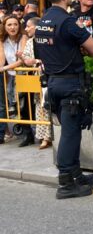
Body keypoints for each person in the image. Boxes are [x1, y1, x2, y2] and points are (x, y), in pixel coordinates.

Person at [34, 0, 93, 199]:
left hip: (53, 82)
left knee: (70, 132)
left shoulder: (42, 22)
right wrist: (80, 48)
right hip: (70, 83)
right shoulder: (68, 21)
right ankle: (65, 182)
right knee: (70, 134)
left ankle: (76, 174)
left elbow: (41, 53)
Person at [19, 17, 51, 149]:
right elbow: (26, 59)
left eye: (28, 26)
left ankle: (50, 136)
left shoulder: (48, 40)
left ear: (37, 27)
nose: (26, 29)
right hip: (36, 79)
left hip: (50, 77)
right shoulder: (29, 42)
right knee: (40, 106)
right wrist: (25, 58)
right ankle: (44, 137)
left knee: (50, 106)